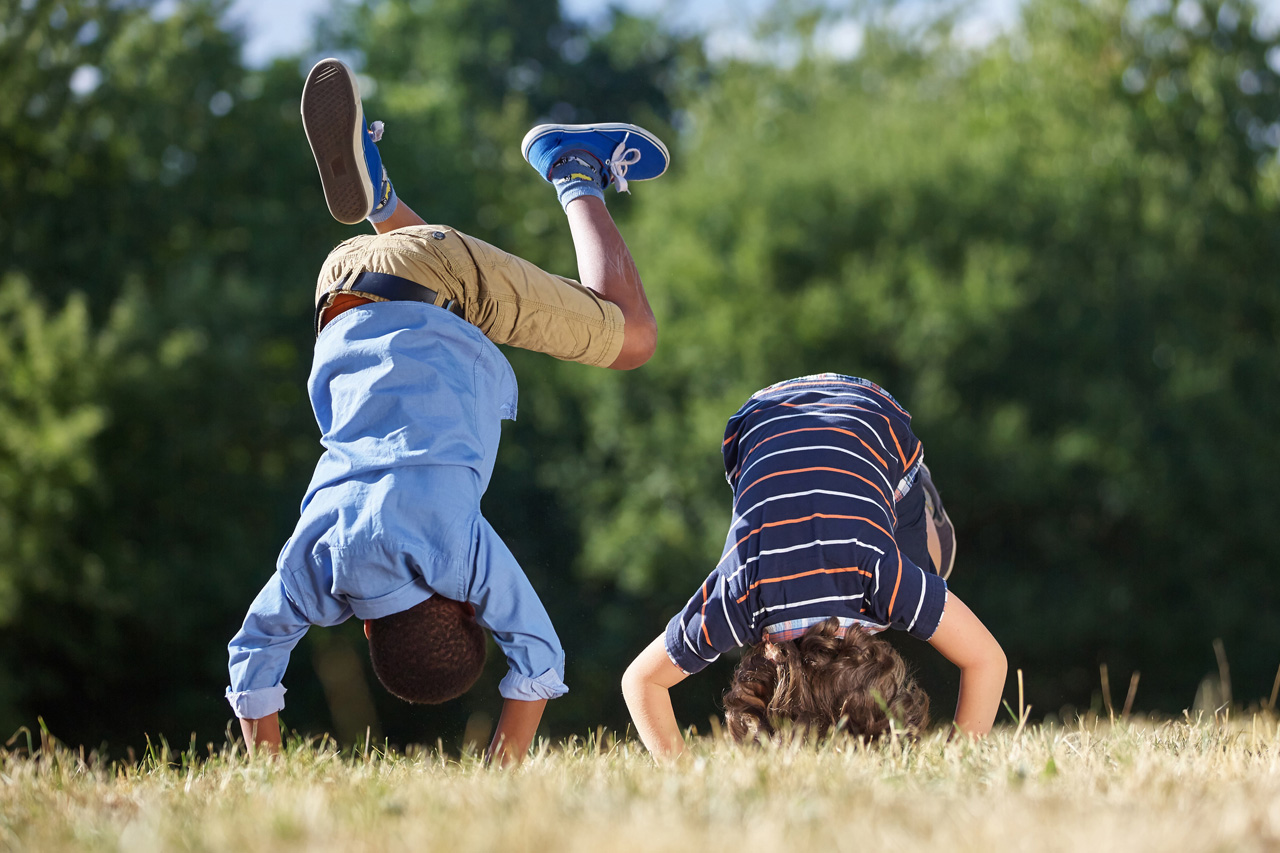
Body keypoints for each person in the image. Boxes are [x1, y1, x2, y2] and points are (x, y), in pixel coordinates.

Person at [226, 58, 669, 766]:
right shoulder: (319, 566)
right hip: (341, 295)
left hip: (433, 278)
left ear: (465, 605)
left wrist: (504, 760)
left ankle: (573, 166)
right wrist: (265, 772)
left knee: (630, 337)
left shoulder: (460, 556)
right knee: (438, 298)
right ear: (369, 631)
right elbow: (252, 655)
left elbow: (539, 655)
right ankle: (379, 196)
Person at [621, 374, 1006, 761]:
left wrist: (963, 758)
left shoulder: (880, 580)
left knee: (922, 577)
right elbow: (641, 681)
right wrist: (682, 772)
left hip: (871, 416)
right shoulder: (742, 598)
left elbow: (987, 660)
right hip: (758, 421)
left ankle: (918, 501)